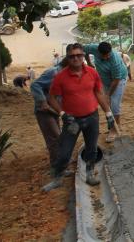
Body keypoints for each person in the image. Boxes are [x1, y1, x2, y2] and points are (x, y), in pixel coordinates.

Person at [43, 43, 114, 191]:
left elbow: (99, 93)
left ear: (83, 56)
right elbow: (51, 98)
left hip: (92, 118)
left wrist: (108, 113)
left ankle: (89, 174)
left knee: (92, 149)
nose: (75, 58)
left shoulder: (92, 73)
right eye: (72, 56)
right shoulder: (61, 77)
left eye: (78, 55)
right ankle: (58, 177)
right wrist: (62, 113)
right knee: (64, 152)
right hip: (72, 121)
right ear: (68, 58)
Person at [31, 46, 70, 173]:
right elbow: (35, 84)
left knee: (57, 138)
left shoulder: (65, 75)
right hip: (44, 111)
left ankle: (59, 166)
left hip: (54, 111)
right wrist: (42, 101)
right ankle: (57, 168)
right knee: (55, 138)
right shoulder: (53, 72)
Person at [83, 42, 128, 143]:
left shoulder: (115, 59)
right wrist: (88, 62)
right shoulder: (93, 48)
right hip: (104, 80)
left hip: (119, 80)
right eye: (104, 56)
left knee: (114, 104)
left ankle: (113, 130)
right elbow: (83, 49)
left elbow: (116, 79)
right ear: (98, 52)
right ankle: (117, 126)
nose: (107, 57)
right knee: (107, 105)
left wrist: (108, 95)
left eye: (108, 55)